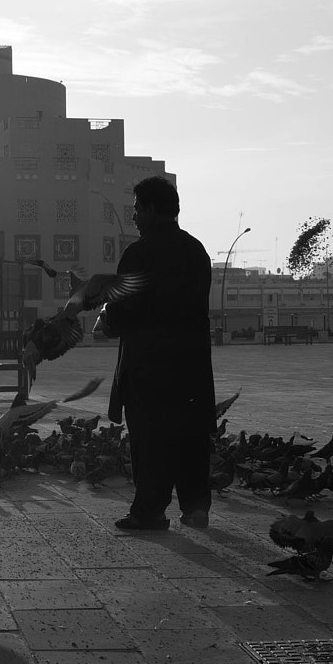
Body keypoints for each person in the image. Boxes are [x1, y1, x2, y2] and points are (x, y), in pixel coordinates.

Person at [105, 175, 216, 531]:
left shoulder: (139, 254)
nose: (134, 216)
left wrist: (107, 317)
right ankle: (196, 508)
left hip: (149, 366)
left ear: (152, 209)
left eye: (137, 209)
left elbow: (123, 312)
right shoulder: (196, 250)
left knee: (150, 441)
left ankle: (150, 511)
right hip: (190, 366)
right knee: (190, 439)